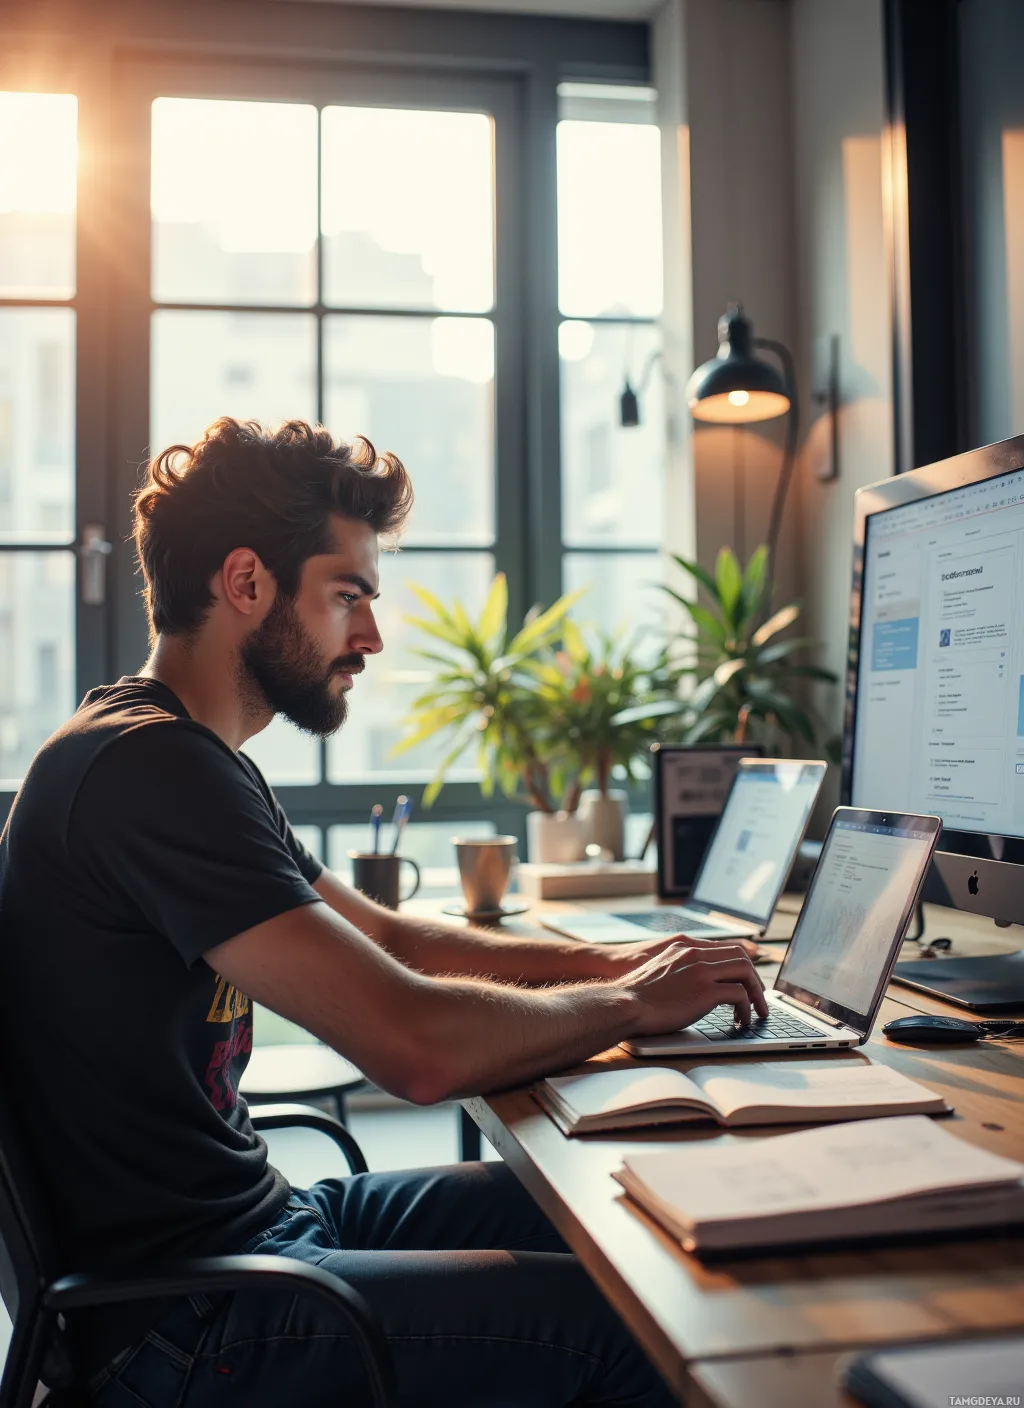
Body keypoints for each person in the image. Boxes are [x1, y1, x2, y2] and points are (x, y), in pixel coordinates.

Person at [0, 418, 768, 1407]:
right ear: (246, 584)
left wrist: (613, 968)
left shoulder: (181, 753)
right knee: (642, 1325)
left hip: (257, 1234)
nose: (368, 635)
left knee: (622, 1202)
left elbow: (394, 939)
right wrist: (632, 1009)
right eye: (348, 596)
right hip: (183, 1326)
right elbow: (414, 1048)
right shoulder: (150, 769)